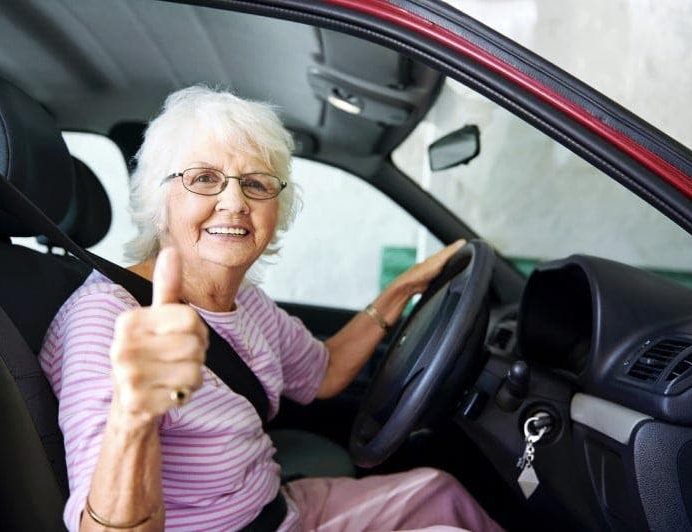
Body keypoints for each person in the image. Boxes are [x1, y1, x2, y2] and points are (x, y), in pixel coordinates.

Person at [39, 86, 502, 531]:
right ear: (160, 202)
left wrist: (402, 289)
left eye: (257, 183)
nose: (235, 202)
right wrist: (134, 412)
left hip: (277, 508)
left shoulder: (247, 302)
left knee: (439, 491)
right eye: (204, 179)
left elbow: (324, 373)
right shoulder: (104, 320)